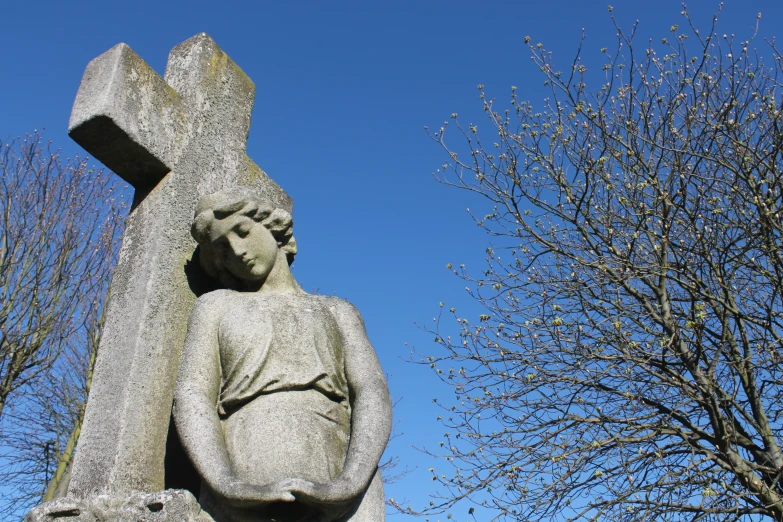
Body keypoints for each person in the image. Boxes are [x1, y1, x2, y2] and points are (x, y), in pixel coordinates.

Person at [173, 187, 392, 522]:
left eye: (243, 232)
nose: (237, 250)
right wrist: (224, 482)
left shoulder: (337, 311)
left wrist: (352, 480)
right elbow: (193, 395)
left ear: (273, 227)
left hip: (339, 482)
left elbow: (372, 393)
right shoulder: (216, 307)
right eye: (223, 249)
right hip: (244, 475)